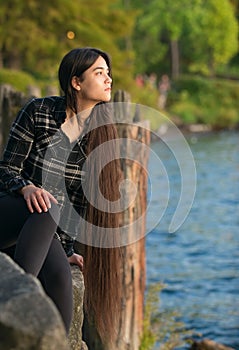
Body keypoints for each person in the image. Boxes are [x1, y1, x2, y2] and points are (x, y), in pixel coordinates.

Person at [0, 47, 122, 341]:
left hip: (44, 231)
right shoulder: (39, 112)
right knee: (48, 208)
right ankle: (16, 308)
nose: (108, 80)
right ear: (76, 82)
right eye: (99, 72)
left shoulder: (101, 135)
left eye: (108, 73)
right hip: (10, 215)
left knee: (61, 282)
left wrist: (65, 250)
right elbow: (5, 170)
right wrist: (25, 187)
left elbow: (79, 205)